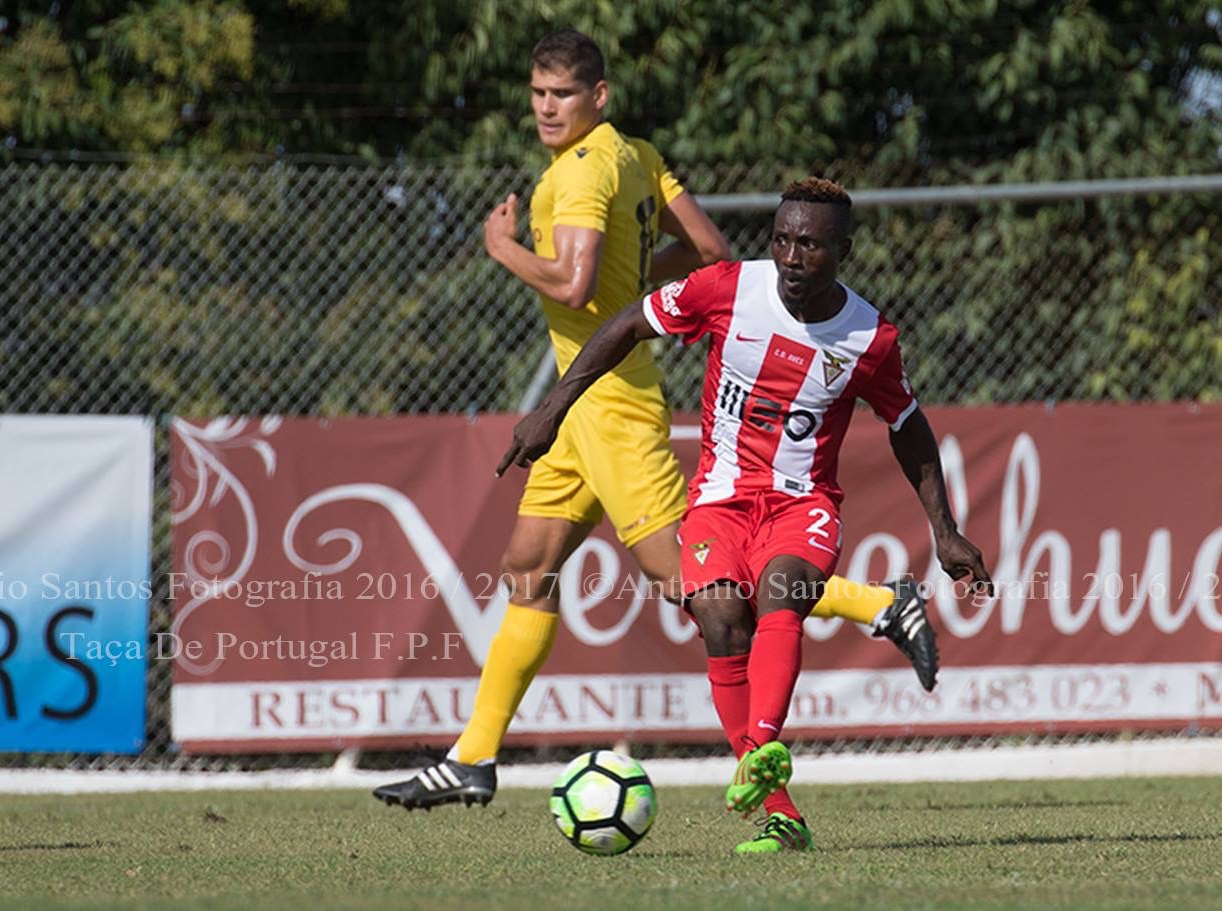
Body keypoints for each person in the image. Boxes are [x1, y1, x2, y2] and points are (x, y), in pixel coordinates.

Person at [373, 31, 938, 812]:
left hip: (608, 402)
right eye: (538, 93)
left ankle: (879, 604)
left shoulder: (581, 170)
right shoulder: (636, 155)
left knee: (697, 584)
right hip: (585, 404)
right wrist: (636, 281)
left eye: (562, 94)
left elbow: (573, 287)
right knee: (529, 567)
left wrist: (502, 246)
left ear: (597, 96)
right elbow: (706, 247)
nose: (546, 108)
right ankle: (473, 755)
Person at [497, 177, 992, 853]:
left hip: (803, 502)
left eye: (810, 245)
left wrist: (944, 528)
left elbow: (907, 422)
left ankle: (759, 746)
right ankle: (781, 815)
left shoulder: (869, 337)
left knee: (781, 592)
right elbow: (626, 324)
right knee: (719, 617)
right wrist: (552, 411)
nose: (791, 256)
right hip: (720, 499)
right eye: (782, 239)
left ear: (843, 251)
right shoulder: (727, 288)